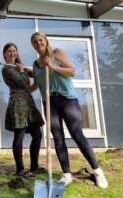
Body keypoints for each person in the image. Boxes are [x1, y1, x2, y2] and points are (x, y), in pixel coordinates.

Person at [30, 32, 108, 188]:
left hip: (67, 99)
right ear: (33, 45)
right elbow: (36, 85)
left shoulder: (57, 53)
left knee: (77, 134)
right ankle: (66, 174)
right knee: (57, 138)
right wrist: (21, 88)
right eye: (35, 42)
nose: (38, 43)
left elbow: (72, 71)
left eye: (40, 40)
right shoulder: (35, 63)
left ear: (46, 41)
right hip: (49, 103)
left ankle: (97, 170)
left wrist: (51, 66)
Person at [1, 43, 45, 177]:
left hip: (28, 103)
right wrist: (21, 71)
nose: (12, 53)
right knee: (19, 136)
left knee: (37, 135)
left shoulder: (21, 67)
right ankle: (20, 169)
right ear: (5, 54)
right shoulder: (6, 69)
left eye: (14, 51)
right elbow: (21, 82)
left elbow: (38, 73)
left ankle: (34, 166)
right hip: (18, 104)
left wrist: (38, 69)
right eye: (9, 51)